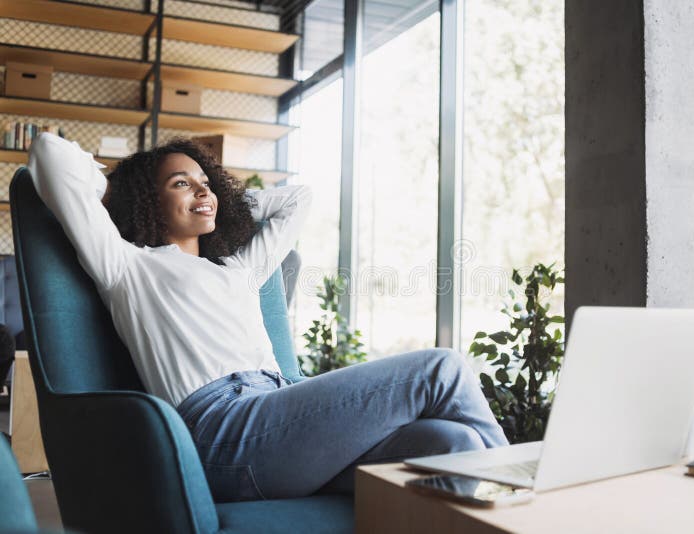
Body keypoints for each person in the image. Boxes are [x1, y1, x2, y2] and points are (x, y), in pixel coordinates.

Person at [27, 132, 508, 502]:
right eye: (181, 183)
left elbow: (299, 198)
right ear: (148, 201)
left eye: (206, 183)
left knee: (453, 442)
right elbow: (49, 153)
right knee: (442, 368)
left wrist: (227, 201)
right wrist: (117, 194)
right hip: (225, 433)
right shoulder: (128, 266)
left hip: (281, 420)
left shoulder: (240, 269)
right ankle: (523, 498)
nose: (202, 191)